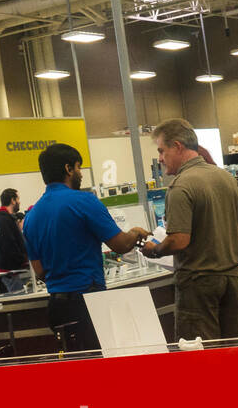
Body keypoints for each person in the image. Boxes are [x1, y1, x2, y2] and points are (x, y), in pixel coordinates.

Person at [22, 143, 150, 352]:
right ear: (68, 169)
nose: (81, 174)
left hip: (57, 308)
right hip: (88, 304)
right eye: (79, 167)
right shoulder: (84, 201)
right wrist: (136, 232)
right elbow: (120, 245)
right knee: (98, 368)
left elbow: (39, 271)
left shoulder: (31, 216)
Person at [141, 118, 238, 341]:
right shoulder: (225, 177)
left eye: (162, 151)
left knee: (199, 352)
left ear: (178, 146)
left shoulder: (181, 186)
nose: (160, 159)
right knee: (234, 348)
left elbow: (179, 240)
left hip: (198, 283)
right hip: (232, 278)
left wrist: (154, 249)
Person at [0, 188, 29, 293]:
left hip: (12, 269)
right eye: (18, 199)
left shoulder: (7, 219)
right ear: (13, 200)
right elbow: (9, 246)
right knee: (20, 300)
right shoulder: (3, 221)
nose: (19, 202)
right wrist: (23, 260)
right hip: (10, 270)